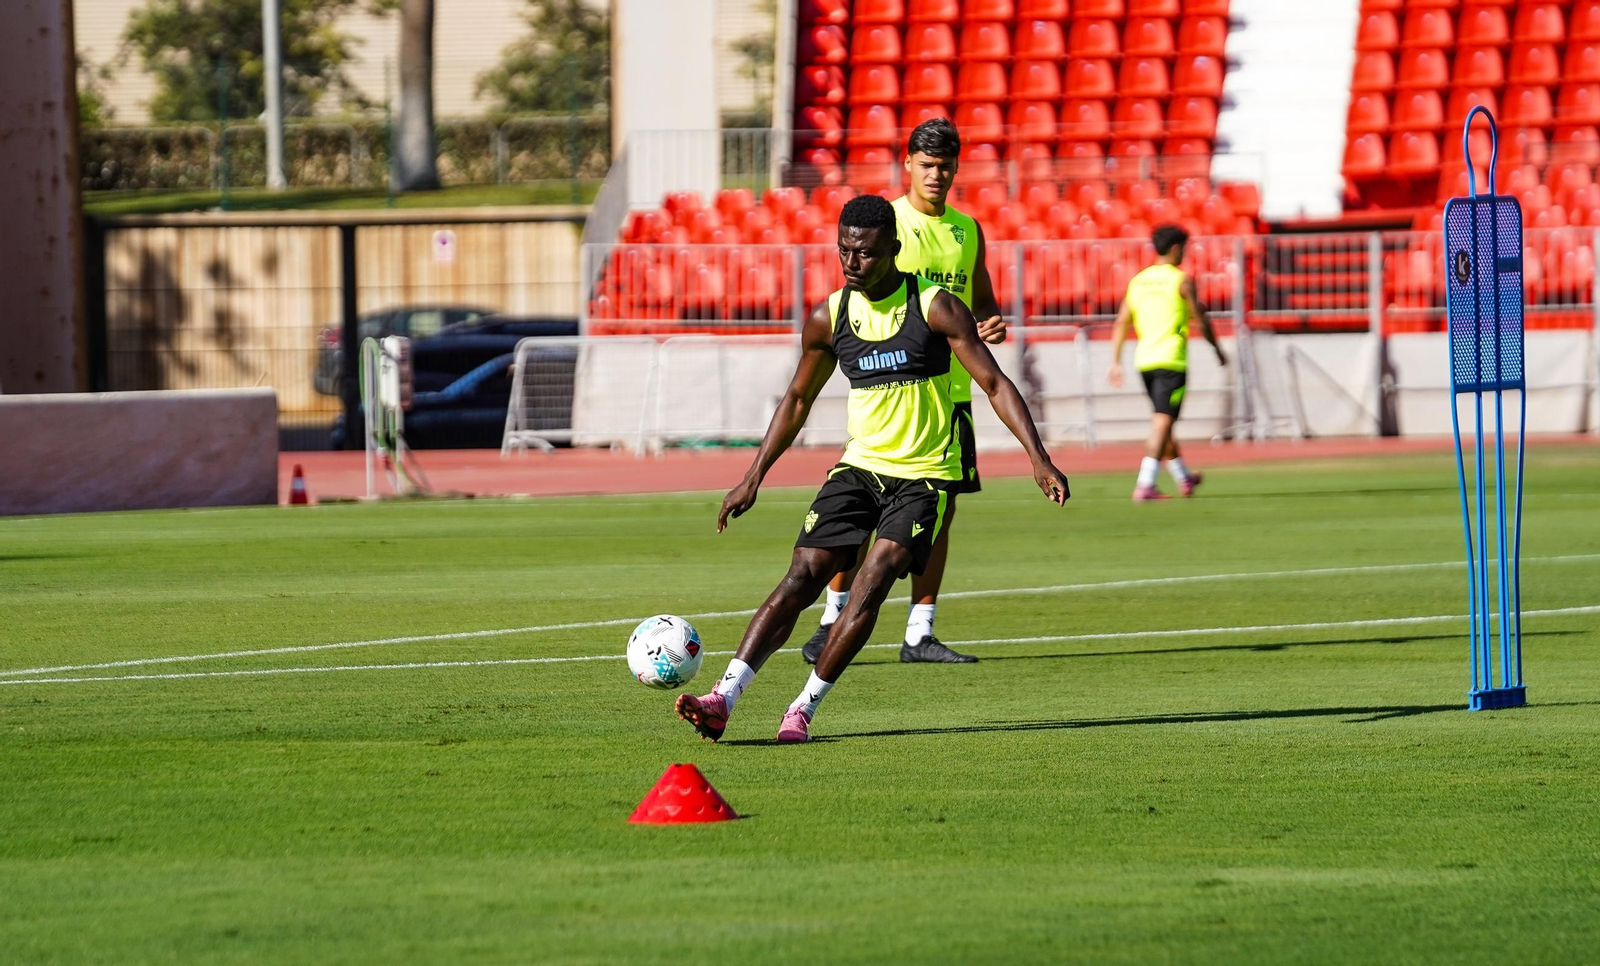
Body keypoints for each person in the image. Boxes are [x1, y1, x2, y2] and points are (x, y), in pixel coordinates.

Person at [675, 195, 1069, 744]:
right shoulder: (829, 315)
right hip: (859, 469)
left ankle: (802, 709)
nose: (852, 262)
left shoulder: (935, 307)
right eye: (844, 251)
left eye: (864, 252)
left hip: (926, 475)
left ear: (893, 248)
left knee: (872, 580)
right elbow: (796, 400)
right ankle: (723, 698)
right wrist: (753, 475)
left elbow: (996, 384)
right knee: (800, 577)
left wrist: (1038, 457)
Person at [800, 118, 1007, 667]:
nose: (936, 174)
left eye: (945, 166)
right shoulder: (889, 224)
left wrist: (990, 321)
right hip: (890, 391)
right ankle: (832, 614)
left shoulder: (967, 230)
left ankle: (920, 630)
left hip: (952, 397)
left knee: (939, 515)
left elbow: (979, 296)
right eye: (926, 164)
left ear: (956, 169)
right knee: (865, 508)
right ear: (907, 164)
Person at [1107, 224, 1227, 502]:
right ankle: (1145, 483)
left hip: (1144, 361)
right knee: (1162, 422)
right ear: (1176, 248)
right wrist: (1217, 349)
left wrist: (1115, 361)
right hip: (1171, 360)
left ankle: (1184, 477)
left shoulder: (1138, 280)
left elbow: (1122, 321)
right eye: (1184, 247)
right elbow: (1201, 317)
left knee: (1165, 421)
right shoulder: (1181, 280)